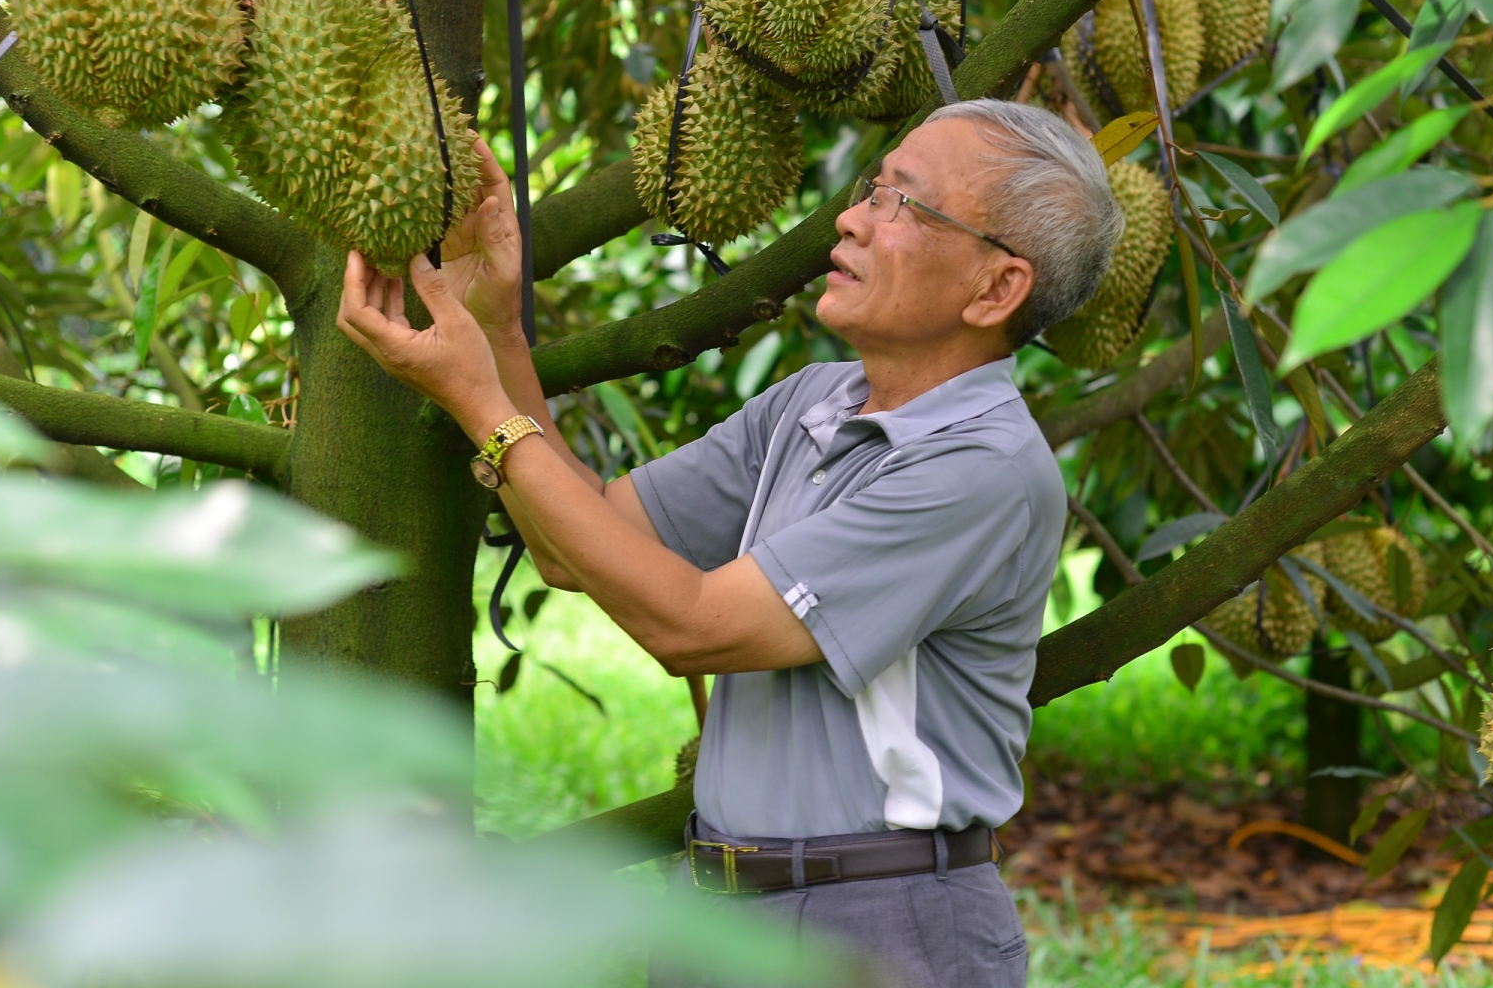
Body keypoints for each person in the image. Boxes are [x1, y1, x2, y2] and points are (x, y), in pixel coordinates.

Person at [338, 98, 1123, 986]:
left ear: (996, 289)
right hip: (719, 905)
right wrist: (498, 332)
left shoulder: (982, 471)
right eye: (873, 186)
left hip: (877, 926)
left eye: (903, 202)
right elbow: (580, 542)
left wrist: (481, 402)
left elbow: (695, 626)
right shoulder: (814, 402)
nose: (853, 218)